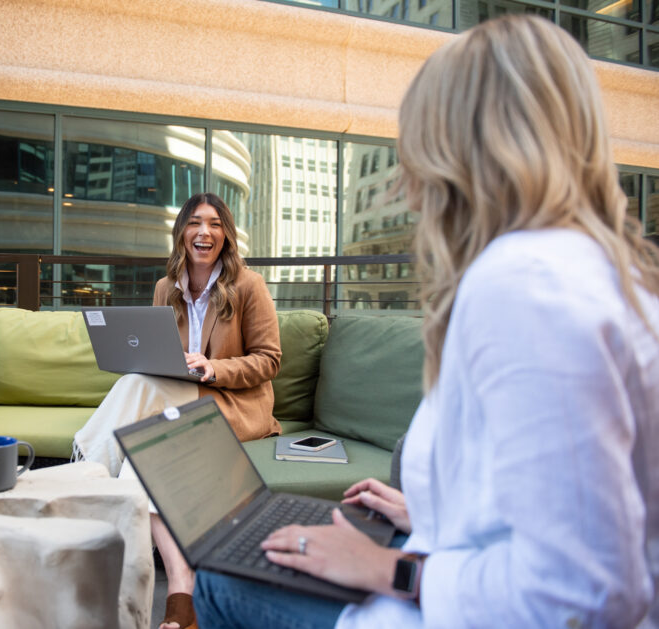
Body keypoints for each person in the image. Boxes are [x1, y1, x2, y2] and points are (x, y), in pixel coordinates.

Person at [193, 14, 659, 629]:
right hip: (453, 558)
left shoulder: (525, 289)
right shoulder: (601, 275)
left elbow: (585, 590)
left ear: (455, 154)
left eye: (413, 149)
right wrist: (437, 513)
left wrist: (391, 569)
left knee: (222, 577)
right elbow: (569, 498)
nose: (408, 191)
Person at [73, 191, 282, 629]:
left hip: (230, 401)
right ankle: (181, 587)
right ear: (182, 233)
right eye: (194, 223)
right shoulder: (166, 287)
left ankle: (80, 485)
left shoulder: (249, 285)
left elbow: (269, 360)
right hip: (172, 394)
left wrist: (213, 367)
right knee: (138, 400)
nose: (204, 232)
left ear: (225, 235)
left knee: (136, 393)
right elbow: (153, 354)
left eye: (214, 224)